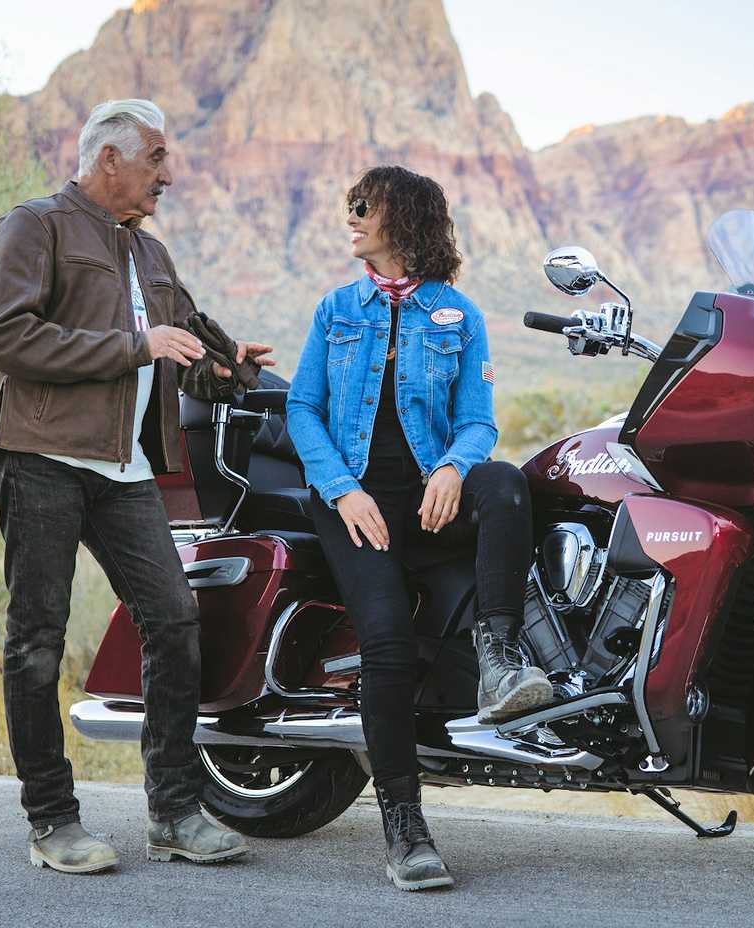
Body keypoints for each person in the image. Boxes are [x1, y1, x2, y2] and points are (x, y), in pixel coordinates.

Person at [0, 98, 274, 874]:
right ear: (109, 158)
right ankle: (52, 820)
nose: (167, 174)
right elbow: (7, 337)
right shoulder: (35, 225)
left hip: (126, 471)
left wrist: (229, 367)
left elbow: (187, 355)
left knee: (174, 619)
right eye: (156, 157)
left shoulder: (151, 253)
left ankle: (174, 812)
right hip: (39, 456)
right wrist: (134, 345)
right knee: (37, 640)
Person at [287, 165, 555, 891]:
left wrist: (453, 469)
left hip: (430, 499)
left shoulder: (458, 315)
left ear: (402, 219)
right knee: (386, 642)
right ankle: (405, 828)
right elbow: (302, 409)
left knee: (504, 481)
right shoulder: (336, 309)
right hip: (355, 504)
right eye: (350, 205)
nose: (350, 217)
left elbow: (478, 422)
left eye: (363, 206)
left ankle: (500, 661)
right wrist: (343, 490)